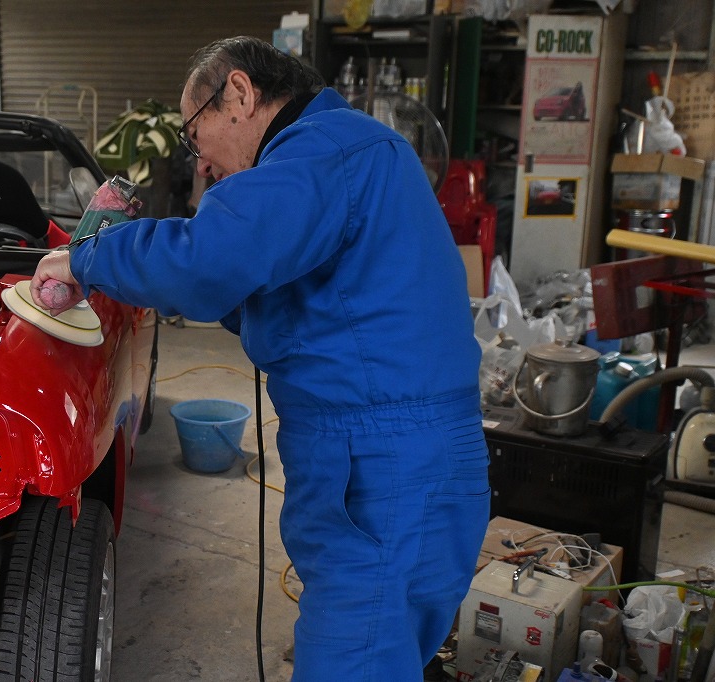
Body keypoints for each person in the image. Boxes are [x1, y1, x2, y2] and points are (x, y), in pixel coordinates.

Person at [32, 36, 490, 681]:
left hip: (379, 461)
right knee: (389, 650)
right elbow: (292, 297)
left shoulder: (316, 154)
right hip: (424, 452)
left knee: (353, 657)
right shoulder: (361, 147)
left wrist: (90, 257)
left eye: (195, 137)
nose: (200, 165)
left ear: (241, 95)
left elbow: (207, 258)